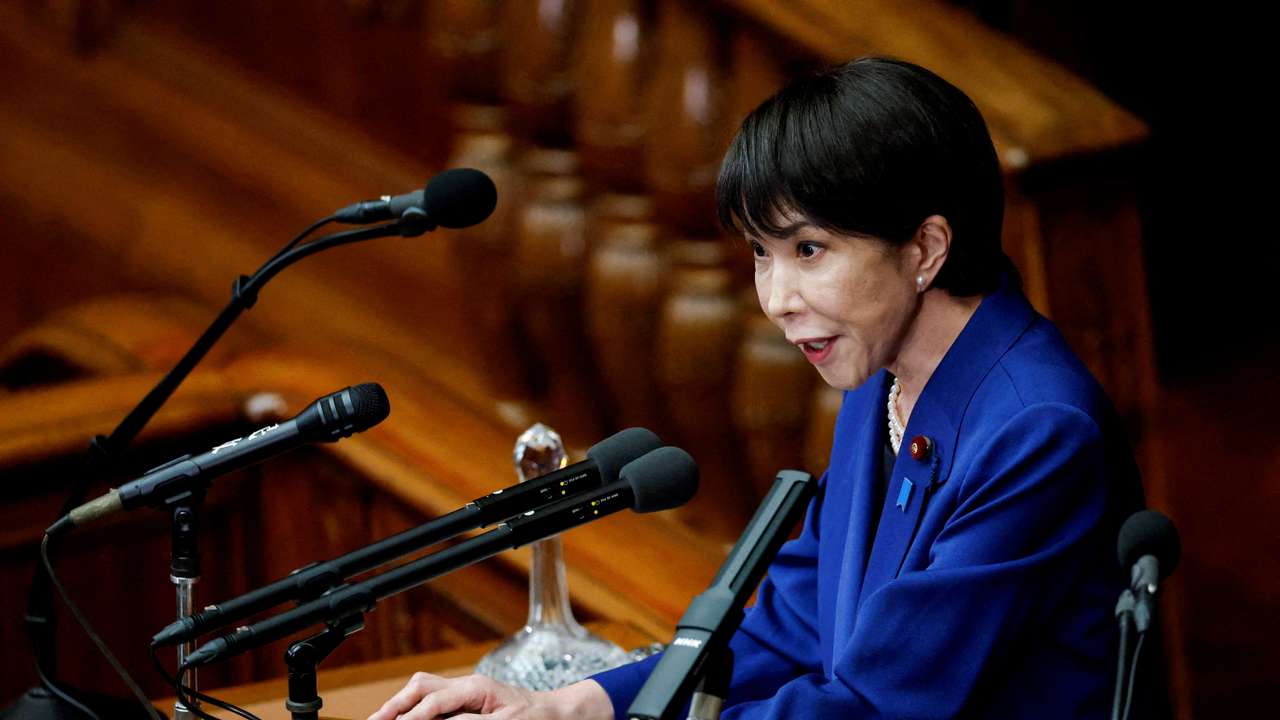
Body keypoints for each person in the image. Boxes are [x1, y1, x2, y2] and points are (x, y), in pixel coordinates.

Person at [367, 57, 1146, 720]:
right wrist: (570, 705)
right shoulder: (878, 376)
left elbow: (880, 705)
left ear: (926, 248)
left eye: (809, 249)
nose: (775, 299)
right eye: (761, 253)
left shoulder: (1037, 428)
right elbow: (791, 626)